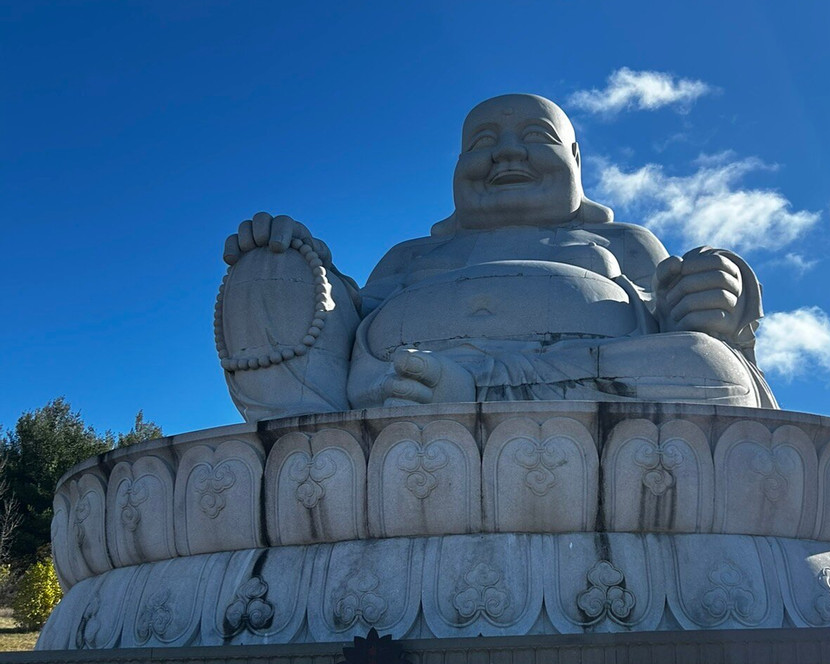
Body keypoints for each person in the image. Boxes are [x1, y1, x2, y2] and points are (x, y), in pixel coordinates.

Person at [220, 94, 778, 421]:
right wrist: (295, 267)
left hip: (579, 393)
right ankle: (316, 445)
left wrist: (713, 300)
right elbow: (343, 328)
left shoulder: (623, 242)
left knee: (710, 368)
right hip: (393, 389)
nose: (508, 152)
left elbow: (681, 326)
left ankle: (468, 394)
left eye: (536, 135)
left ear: (576, 162)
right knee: (267, 274)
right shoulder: (412, 254)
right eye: (483, 142)